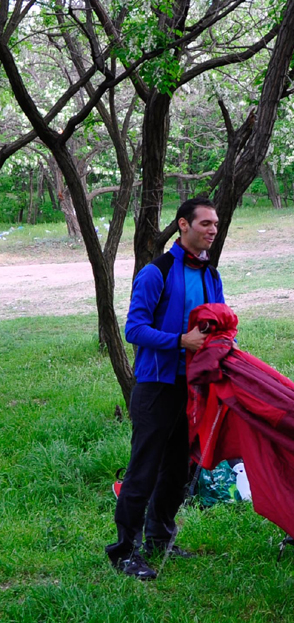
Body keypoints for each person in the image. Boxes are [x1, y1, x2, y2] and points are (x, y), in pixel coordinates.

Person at [106, 198, 225, 579]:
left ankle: (160, 540)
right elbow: (134, 329)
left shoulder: (211, 275)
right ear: (183, 225)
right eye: (205, 223)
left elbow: (220, 323)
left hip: (194, 388)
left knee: (178, 470)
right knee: (143, 471)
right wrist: (179, 341)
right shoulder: (155, 272)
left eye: (215, 224)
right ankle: (125, 552)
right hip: (157, 386)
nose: (212, 230)